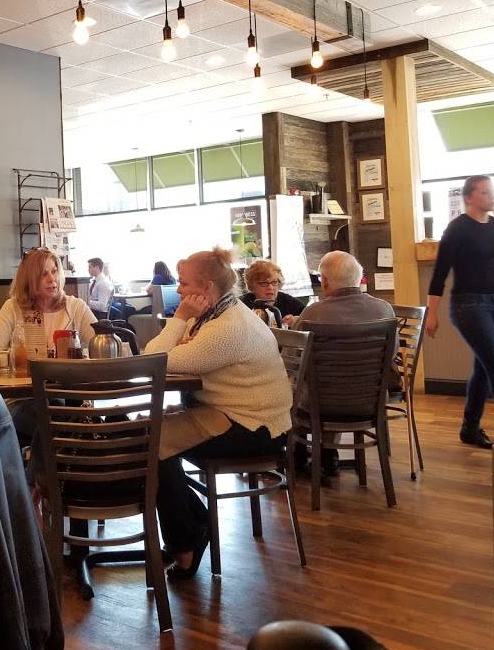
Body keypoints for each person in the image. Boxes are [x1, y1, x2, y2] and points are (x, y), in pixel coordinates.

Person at [145, 248, 291, 580]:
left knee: (152, 443)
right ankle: (194, 526)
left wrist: (180, 316)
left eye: (184, 283)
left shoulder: (228, 328)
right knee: (150, 435)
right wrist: (185, 321)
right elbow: (165, 354)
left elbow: (153, 358)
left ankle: (188, 540)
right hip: (232, 413)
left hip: (254, 427)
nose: (179, 289)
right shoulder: (217, 314)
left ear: (206, 287)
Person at [427, 175, 494, 448]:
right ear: (469, 197)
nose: (491, 196)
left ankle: (470, 428)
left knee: (485, 366)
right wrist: (432, 314)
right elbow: (439, 274)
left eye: (492, 192)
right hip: (468, 306)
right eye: (485, 192)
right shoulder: (457, 229)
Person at [294, 250, 394, 475]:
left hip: (321, 405)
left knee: (297, 388)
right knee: (332, 385)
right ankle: (328, 454)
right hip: (371, 403)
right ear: (358, 278)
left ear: (325, 281)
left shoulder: (312, 314)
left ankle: (298, 456)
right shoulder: (384, 309)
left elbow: (295, 361)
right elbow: (392, 354)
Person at [0, 247, 96, 366]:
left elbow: (101, 349)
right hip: (25, 378)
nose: (52, 279)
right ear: (28, 280)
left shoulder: (77, 307)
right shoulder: (12, 307)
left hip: (68, 377)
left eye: (54, 271)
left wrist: (79, 355)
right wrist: (18, 356)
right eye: (43, 274)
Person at [240, 259, 305, 327]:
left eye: (274, 282)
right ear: (251, 286)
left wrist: (297, 320)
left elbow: (309, 318)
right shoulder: (242, 304)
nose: (271, 287)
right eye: (264, 283)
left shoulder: (288, 301)